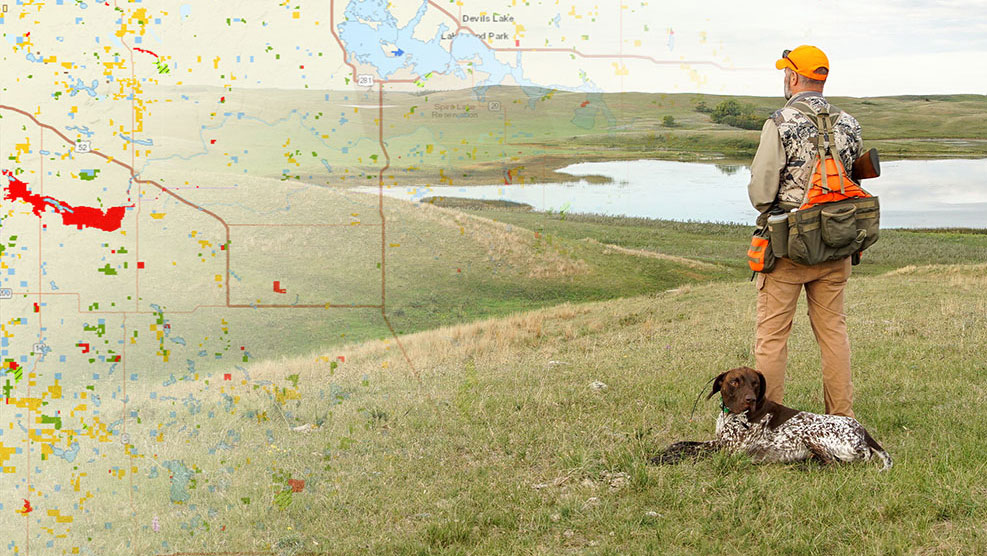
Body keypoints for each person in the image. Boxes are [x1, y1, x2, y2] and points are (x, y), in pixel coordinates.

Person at [747, 45, 864, 418]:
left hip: (788, 249)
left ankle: (767, 422)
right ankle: (841, 421)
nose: (785, 77)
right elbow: (854, 181)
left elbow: (763, 192)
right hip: (837, 246)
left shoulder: (780, 122)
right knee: (833, 335)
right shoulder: (849, 123)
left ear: (793, 77)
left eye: (786, 72)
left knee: (772, 338)